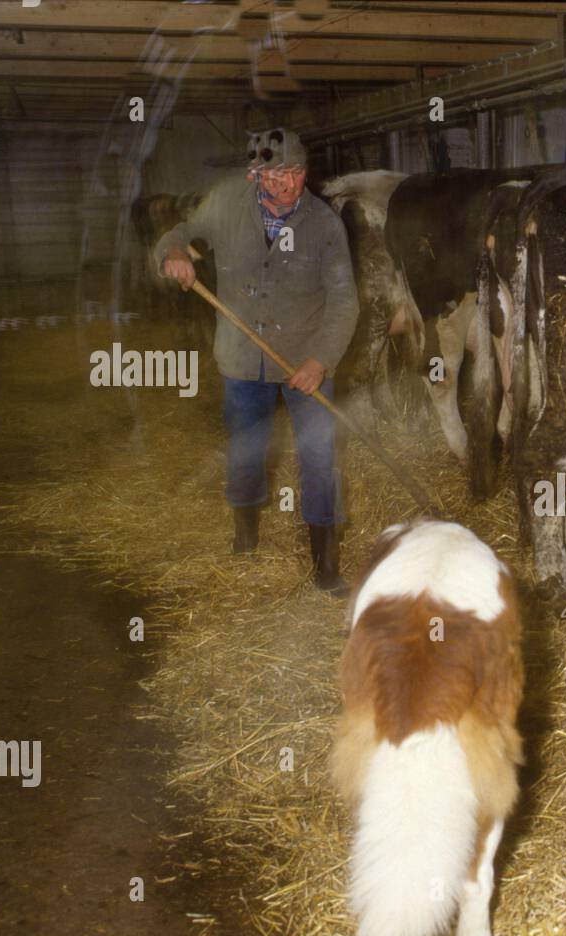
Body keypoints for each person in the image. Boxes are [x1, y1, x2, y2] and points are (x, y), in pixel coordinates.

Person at [154, 127, 358, 594]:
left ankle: (325, 568)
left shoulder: (325, 225)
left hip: (305, 360)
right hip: (244, 362)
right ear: (256, 175)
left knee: (320, 457)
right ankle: (245, 539)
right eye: (276, 174)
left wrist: (320, 361)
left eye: (296, 172)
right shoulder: (226, 203)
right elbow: (181, 232)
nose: (288, 184)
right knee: (247, 452)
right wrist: (172, 253)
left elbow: (345, 301)